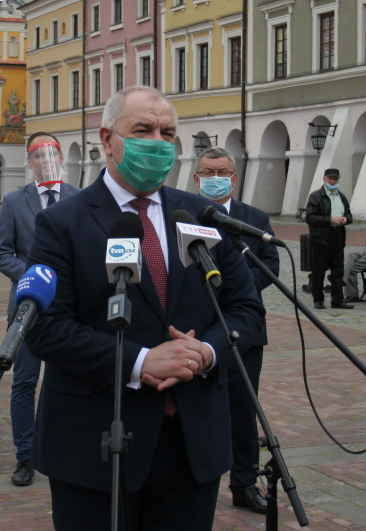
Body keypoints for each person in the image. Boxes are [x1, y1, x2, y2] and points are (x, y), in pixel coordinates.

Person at [24, 86, 265, 530]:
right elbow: (45, 328)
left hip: (191, 444)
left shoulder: (201, 216)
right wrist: (140, 360)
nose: (157, 141)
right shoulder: (62, 223)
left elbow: (246, 309)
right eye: (142, 129)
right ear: (107, 139)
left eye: (167, 132)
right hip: (95, 443)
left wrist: (205, 353)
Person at [194, 146, 279, 515]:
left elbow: (270, 263)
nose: (215, 178)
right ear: (197, 178)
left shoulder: (253, 217)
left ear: (234, 177)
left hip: (244, 328)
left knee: (244, 408)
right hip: (196, 327)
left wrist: (236, 291)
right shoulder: (184, 215)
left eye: (222, 171)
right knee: (196, 406)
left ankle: (244, 482)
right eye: (208, 172)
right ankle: (196, 479)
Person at [0, 132, 78, 487]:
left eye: (52, 153)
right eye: (38, 155)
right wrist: (33, 277)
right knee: (25, 382)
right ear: (29, 161)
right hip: (28, 306)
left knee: (70, 381)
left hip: (71, 309)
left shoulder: (78, 198)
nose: (46, 159)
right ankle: (24, 455)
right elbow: (0, 253)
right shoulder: (15, 201)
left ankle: (64, 452)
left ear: (61, 157)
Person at [305, 168, 353, 309]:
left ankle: (337, 299)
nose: (333, 181)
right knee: (319, 270)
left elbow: (350, 215)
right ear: (324, 179)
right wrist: (329, 220)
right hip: (321, 238)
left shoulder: (341, 196)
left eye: (335, 179)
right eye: (330, 179)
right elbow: (310, 217)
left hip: (338, 236)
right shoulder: (316, 196)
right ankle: (318, 299)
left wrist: (345, 219)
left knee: (338, 270)